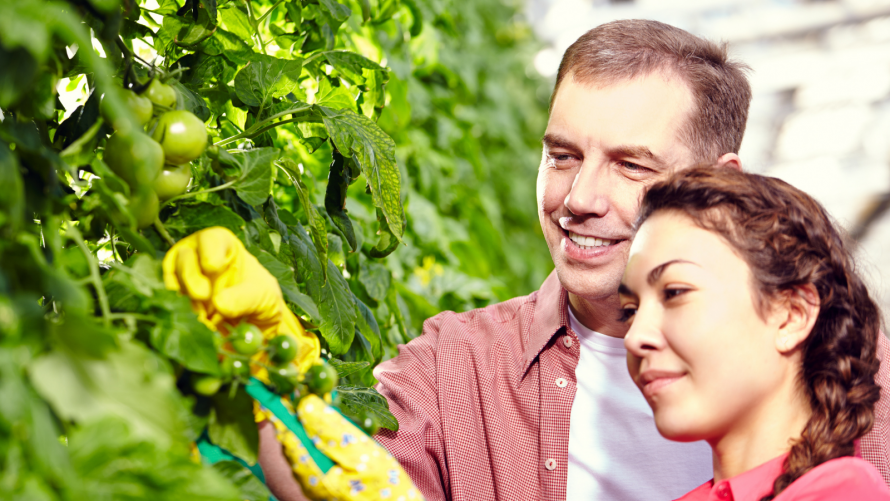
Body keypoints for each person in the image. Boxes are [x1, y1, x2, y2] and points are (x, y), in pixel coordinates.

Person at [254, 19, 890, 501]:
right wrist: (259, 377)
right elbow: (342, 466)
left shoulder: (863, 375)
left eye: (631, 165)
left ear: (714, 184)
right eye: (561, 156)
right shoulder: (462, 365)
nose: (579, 199)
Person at [620, 167, 890, 500]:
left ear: (792, 315)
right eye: (629, 311)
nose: (633, 338)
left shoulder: (843, 491)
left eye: (674, 292)